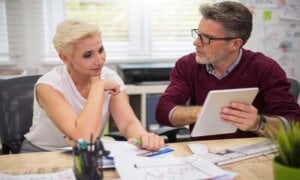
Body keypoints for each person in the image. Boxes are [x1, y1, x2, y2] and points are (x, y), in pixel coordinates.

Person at [155, 1, 300, 140]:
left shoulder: (265, 68)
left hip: (252, 153)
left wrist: (258, 123)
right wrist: (199, 112)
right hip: (203, 151)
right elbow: (163, 112)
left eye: (206, 38)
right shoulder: (187, 65)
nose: (196, 42)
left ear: (235, 44)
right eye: (198, 34)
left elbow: (294, 123)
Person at [21, 19, 164, 152]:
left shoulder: (110, 77)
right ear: (65, 58)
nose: (99, 61)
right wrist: (98, 86)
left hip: (84, 152)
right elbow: (83, 137)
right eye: (88, 55)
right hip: (43, 152)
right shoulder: (48, 86)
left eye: (101, 50)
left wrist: (144, 137)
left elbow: (127, 122)